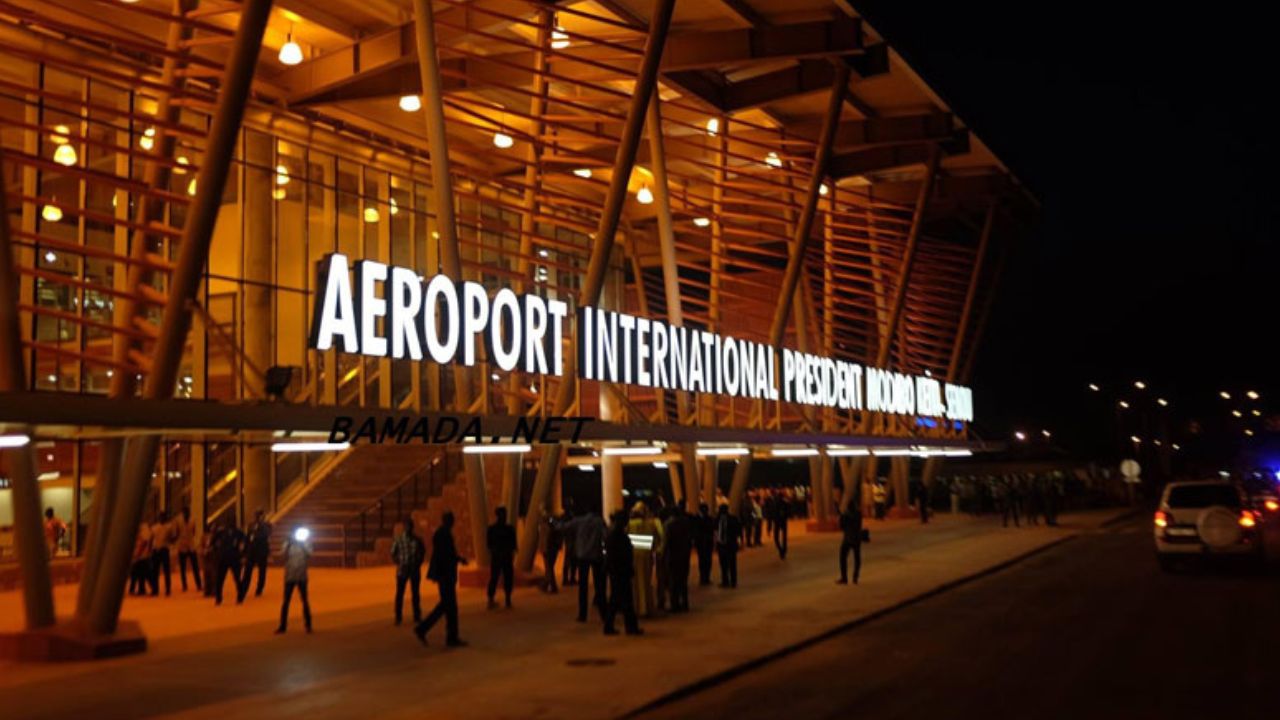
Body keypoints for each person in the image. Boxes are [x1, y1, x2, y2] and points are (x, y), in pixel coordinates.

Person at [414, 512, 467, 647]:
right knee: (449, 606)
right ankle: (446, 635)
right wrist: (459, 559)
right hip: (446, 575)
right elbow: (447, 554)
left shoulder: (440, 533)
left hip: (443, 575)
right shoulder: (445, 535)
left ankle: (429, 630)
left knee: (446, 606)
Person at [603, 510, 642, 636]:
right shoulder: (618, 534)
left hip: (616, 571)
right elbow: (621, 554)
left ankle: (612, 625)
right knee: (625, 600)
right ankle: (630, 627)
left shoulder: (612, 533)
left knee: (617, 600)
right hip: (620, 571)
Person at [627, 502, 664, 616]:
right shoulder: (651, 524)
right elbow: (658, 540)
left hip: (632, 557)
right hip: (647, 557)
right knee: (646, 582)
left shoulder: (629, 524)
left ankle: (636, 606)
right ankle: (646, 607)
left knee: (634, 584)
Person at [571, 509, 608, 623]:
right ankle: (604, 614)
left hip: (582, 556)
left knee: (583, 586)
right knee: (599, 586)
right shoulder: (599, 522)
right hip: (596, 556)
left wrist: (550, 519)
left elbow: (562, 526)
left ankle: (582, 615)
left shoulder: (579, 521)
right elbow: (606, 536)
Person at [274, 527, 313, 634]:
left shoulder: (306, 543)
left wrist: (302, 544)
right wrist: (288, 544)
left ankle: (308, 624)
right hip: (290, 576)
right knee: (286, 601)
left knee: (304, 600)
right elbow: (282, 555)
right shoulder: (288, 543)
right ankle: (283, 625)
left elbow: (310, 553)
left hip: (301, 575)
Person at [391, 518, 425, 626]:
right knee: (400, 594)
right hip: (403, 569)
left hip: (414, 568)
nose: (409, 528)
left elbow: (422, 552)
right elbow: (393, 553)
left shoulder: (417, 540)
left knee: (415, 594)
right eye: (407, 526)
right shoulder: (399, 539)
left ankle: (416, 615)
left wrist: (418, 562)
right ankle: (398, 616)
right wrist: (399, 563)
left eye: (410, 526)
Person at [486, 507, 517, 610]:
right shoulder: (509, 529)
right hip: (504, 556)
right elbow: (513, 544)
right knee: (505, 577)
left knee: (496, 577)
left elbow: (489, 544)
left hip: (498, 557)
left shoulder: (492, 529)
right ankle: (506, 599)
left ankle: (494, 598)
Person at [663, 506, 692, 613]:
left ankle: (675, 604)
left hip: (673, 557)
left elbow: (666, 542)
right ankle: (685, 603)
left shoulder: (669, 525)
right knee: (683, 581)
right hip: (684, 556)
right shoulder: (686, 523)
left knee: (673, 582)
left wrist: (664, 555)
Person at [211, 516, 245, 605]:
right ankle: (219, 597)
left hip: (234, 558)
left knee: (237, 578)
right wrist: (217, 550)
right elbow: (213, 542)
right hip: (224, 558)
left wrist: (242, 555)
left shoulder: (239, 533)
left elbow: (244, 544)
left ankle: (240, 596)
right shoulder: (221, 532)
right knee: (220, 579)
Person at [240, 509, 272, 600]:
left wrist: (261, 525)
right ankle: (243, 588)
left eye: (259, 515)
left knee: (262, 571)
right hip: (251, 550)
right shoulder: (251, 525)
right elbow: (248, 538)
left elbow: (266, 535)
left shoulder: (267, 525)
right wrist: (244, 552)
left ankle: (259, 588)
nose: (257, 517)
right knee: (247, 571)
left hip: (262, 550)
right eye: (257, 515)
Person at [173, 507, 202, 592]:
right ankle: (184, 585)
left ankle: (199, 584)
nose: (187, 513)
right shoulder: (178, 520)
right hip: (182, 546)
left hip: (191, 545)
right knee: (183, 568)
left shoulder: (193, 519)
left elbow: (194, 531)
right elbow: (177, 532)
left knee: (195, 567)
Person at [715, 503, 740, 588]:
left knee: (731, 564)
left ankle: (733, 581)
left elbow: (737, 531)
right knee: (723, 564)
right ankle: (725, 581)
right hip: (722, 544)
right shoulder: (717, 520)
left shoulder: (733, 519)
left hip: (730, 545)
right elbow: (715, 530)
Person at [150, 511, 174, 596]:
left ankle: (167, 589)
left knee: (165, 571)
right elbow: (151, 539)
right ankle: (155, 589)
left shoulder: (168, 527)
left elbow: (171, 538)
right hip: (157, 550)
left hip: (164, 549)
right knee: (155, 571)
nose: (162, 518)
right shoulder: (155, 528)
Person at [838, 505, 863, 584]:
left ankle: (844, 577)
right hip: (857, 537)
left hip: (848, 538)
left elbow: (841, 526)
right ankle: (855, 577)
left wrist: (841, 516)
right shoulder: (858, 514)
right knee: (857, 557)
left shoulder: (845, 515)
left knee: (843, 557)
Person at [538, 509, 561, 594]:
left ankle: (551, 586)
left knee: (549, 568)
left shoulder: (547, 528)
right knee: (549, 568)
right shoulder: (556, 528)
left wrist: (543, 549)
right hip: (552, 549)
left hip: (548, 550)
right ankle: (547, 584)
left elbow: (546, 540)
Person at [693, 503, 715, 585]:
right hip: (701, 543)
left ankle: (706, 577)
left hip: (707, 542)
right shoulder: (697, 519)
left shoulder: (708, 519)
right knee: (703, 560)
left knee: (707, 561)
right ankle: (703, 577)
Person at [128, 523, 153, 596]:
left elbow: (145, 542)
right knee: (139, 573)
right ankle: (141, 589)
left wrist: (139, 552)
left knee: (141, 573)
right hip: (139, 555)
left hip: (142, 556)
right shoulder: (143, 528)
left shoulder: (144, 528)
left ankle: (142, 589)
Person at [560, 504, 578, 587]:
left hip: (570, 540)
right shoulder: (569, 517)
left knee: (570, 561)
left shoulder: (565, 517)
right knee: (570, 560)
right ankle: (568, 579)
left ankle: (569, 578)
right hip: (571, 540)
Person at [771, 489, 790, 559]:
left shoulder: (775, 503)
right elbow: (788, 512)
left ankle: (781, 550)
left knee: (776, 538)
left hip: (777, 522)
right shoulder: (785, 503)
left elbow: (773, 513)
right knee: (784, 537)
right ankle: (783, 550)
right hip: (783, 522)